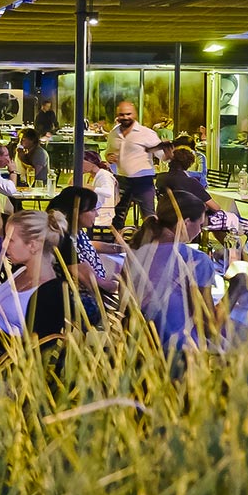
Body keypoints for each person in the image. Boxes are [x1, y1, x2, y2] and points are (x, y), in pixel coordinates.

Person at [125, 191, 217, 351]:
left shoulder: (136, 252)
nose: (200, 231)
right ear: (187, 222)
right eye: (200, 225)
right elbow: (209, 328)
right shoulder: (195, 260)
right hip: (179, 352)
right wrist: (238, 287)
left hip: (136, 346)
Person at [0, 210, 68, 338]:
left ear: (33, 246)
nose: (4, 244)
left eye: (10, 240)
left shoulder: (50, 293)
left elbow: (37, 347)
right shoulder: (21, 270)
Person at [48, 186, 120, 326]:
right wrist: (120, 285)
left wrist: (116, 248)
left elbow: (87, 245)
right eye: (92, 210)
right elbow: (94, 282)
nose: (97, 215)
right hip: (80, 301)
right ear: (76, 212)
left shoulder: (73, 232)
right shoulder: (63, 240)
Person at [106, 100, 163, 230]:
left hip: (143, 180)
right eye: (122, 114)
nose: (125, 117)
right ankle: (116, 245)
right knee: (117, 215)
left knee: (148, 216)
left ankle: (150, 246)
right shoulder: (114, 134)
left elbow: (162, 155)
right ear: (117, 115)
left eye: (128, 114)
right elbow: (109, 152)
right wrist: (109, 157)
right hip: (122, 178)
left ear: (135, 114)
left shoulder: (146, 133)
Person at [82, 150, 117, 230]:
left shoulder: (104, 175)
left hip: (102, 213)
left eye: (83, 163)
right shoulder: (92, 176)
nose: (81, 166)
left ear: (91, 163)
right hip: (95, 209)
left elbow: (108, 192)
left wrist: (87, 187)